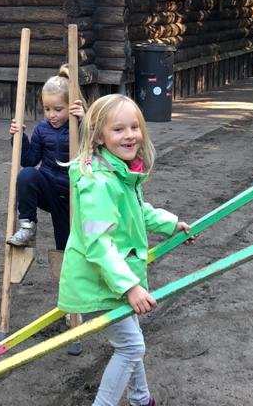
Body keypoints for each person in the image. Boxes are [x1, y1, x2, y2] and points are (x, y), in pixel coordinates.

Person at [58, 94, 191, 406]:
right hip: (99, 280)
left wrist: (172, 224)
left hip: (114, 276)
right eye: (118, 129)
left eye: (134, 126)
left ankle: (141, 398)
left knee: (132, 341)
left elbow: (138, 211)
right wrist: (129, 286)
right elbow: (98, 241)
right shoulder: (99, 182)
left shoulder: (121, 171)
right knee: (131, 347)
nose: (129, 135)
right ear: (99, 136)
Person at [6, 65, 85, 250]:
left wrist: (85, 121)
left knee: (65, 248)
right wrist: (19, 138)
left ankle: (70, 274)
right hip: (49, 191)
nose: (51, 115)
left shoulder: (81, 126)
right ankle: (27, 227)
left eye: (58, 109)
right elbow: (29, 160)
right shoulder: (42, 129)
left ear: (71, 105)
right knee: (26, 175)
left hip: (74, 195)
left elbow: (99, 145)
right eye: (47, 109)